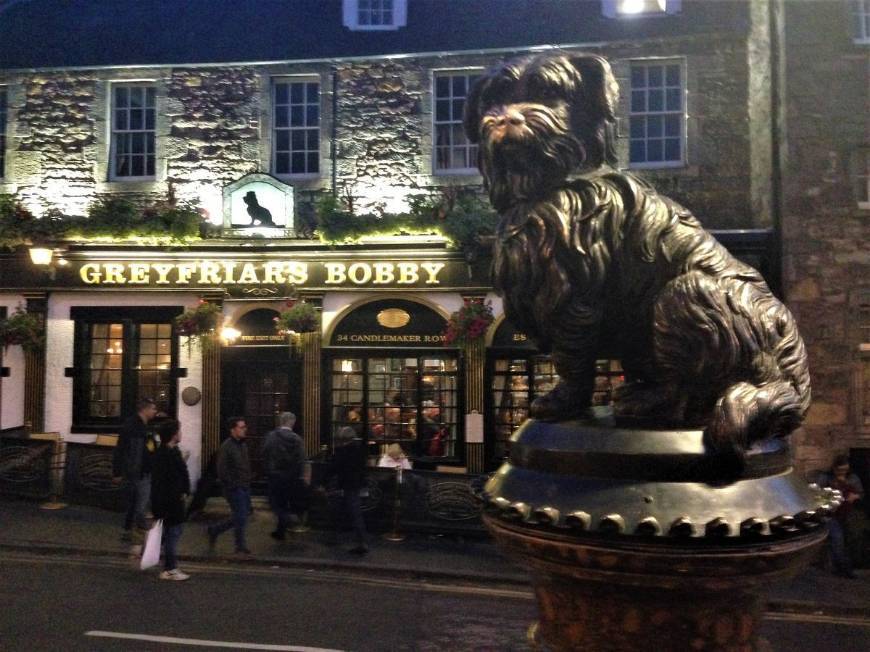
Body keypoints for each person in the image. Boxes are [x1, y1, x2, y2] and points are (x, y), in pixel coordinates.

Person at [112, 397, 158, 543]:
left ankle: (128, 532)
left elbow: (150, 449)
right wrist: (117, 471)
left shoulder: (145, 426)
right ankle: (138, 532)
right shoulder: (132, 426)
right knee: (139, 504)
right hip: (135, 472)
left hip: (142, 471)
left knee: (135, 503)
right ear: (145, 409)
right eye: (153, 408)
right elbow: (121, 450)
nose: (155, 411)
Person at [150, 418, 191, 581]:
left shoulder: (173, 451)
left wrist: (185, 490)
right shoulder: (163, 455)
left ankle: (166, 563)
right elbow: (160, 483)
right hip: (169, 503)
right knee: (173, 534)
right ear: (173, 435)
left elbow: (182, 474)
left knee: (172, 533)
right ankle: (170, 569)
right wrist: (159, 508)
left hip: (175, 500)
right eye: (179, 431)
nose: (181, 433)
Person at [207, 417, 253, 556]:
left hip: (244, 485)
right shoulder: (226, 447)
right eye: (241, 427)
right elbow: (221, 470)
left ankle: (215, 530)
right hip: (233, 488)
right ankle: (240, 546)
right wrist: (232, 485)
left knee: (242, 515)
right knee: (241, 516)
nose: (244, 429)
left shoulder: (243, 445)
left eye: (245, 426)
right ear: (233, 430)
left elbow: (244, 465)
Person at [323, 426, 369, 554]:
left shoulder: (341, 451)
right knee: (355, 514)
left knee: (338, 512)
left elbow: (333, 468)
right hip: (357, 485)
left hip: (343, 486)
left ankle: (337, 538)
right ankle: (360, 541)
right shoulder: (360, 450)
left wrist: (323, 481)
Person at [819, 454, 865, 579]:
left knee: (852, 537)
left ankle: (851, 565)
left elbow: (861, 493)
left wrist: (855, 496)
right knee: (837, 539)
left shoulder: (853, 478)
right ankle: (843, 568)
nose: (842, 473)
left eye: (845, 470)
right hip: (832, 514)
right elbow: (817, 494)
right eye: (840, 470)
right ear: (834, 469)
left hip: (848, 513)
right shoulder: (826, 478)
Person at [261, 411, 304, 541]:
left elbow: (265, 452)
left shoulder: (271, 436)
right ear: (293, 423)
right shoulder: (297, 439)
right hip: (291, 476)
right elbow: (302, 458)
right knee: (285, 502)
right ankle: (281, 531)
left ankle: (288, 519)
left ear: (281, 421)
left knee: (274, 502)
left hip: (275, 474)